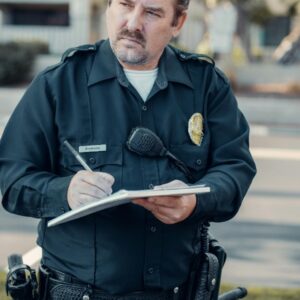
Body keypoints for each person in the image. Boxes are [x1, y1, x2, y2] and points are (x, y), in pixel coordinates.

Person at [0, 0, 256, 299]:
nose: (133, 23)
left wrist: (194, 201)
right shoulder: (58, 84)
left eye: (151, 12)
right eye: (125, 4)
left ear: (179, 22)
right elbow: (11, 178)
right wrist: (64, 191)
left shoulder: (206, 85)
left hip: (178, 291)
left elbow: (234, 168)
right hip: (79, 292)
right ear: (109, 7)